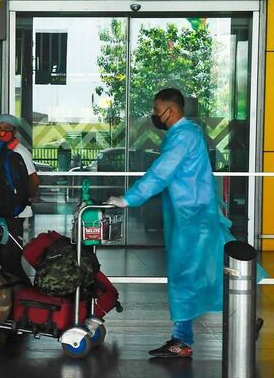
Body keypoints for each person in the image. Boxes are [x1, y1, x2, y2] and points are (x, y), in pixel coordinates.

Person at [106, 88, 266, 358]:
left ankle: (183, 340)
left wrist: (128, 199)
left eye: (157, 111)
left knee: (186, 276)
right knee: (210, 274)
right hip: (197, 217)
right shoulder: (186, 134)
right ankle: (236, 322)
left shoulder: (183, 137)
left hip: (193, 220)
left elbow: (161, 173)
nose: (155, 116)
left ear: (172, 110)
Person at [0, 114, 39, 284]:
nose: (2, 133)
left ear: (15, 132)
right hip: (0, 211)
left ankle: (25, 293)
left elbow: (33, 179)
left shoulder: (20, 152)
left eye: (6, 129)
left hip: (16, 212)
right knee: (2, 254)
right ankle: (10, 296)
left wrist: (27, 199)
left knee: (11, 256)